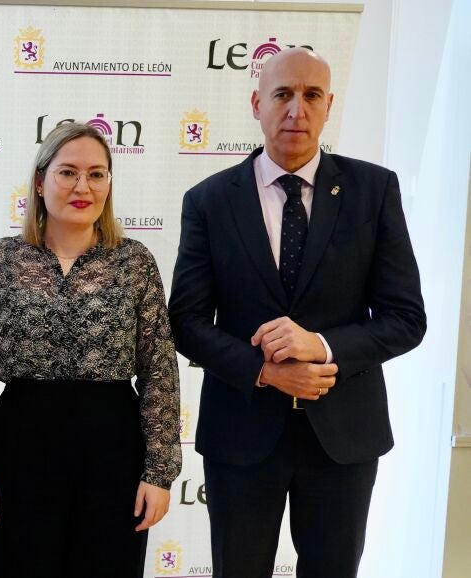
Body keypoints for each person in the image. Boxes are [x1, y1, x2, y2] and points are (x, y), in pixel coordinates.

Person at [168, 48, 426, 578]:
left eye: (311, 96)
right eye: (282, 94)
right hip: (240, 434)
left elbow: (406, 318)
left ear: (329, 105)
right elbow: (186, 322)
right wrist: (264, 371)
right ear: (256, 103)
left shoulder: (374, 190)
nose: (296, 110)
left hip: (344, 436)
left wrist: (322, 346)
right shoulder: (208, 201)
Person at [0, 122, 181, 577]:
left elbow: (159, 368)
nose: (83, 187)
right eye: (68, 172)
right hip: (21, 446)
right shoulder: (1, 259)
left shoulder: (134, 261)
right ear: (40, 181)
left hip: (113, 448)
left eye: (96, 174)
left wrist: (159, 472)